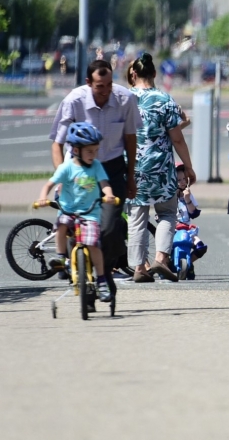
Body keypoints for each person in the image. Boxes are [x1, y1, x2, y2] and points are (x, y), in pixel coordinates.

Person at [49, 59, 142, 304]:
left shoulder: (125, 99)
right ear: (89, 83)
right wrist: (62, 178)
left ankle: (104, 274)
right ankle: (76, 269)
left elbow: (130, 139)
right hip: (77, 169)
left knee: (110, 228)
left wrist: (130, 176)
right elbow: (57, 144)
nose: (105, 91)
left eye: (109, 84)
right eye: (100, 86)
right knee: (72, 223)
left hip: (110, 169)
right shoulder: (73, 101)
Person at [126, 53, 197, 283]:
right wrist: (188, 167)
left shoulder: (124, 100)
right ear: (155, 74)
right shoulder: (165, 100)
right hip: (161, 170)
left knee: (137, 217)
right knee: (167, 212)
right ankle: (160, 258)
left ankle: (139, 267)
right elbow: (177, 139)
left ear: (133, 74)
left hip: (134, 170)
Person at [39, 123, 116, 301]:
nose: (93, 155)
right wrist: (43, 196)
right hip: (69, 210)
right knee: (61, 226)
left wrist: (109, 194)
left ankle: (102, 280)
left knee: (92, 244)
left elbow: (104, 183)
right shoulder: (67, 168)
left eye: (95, 150)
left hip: (89, 212)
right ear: (75, 150)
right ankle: (60, 258)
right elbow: (49, 184)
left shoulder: (96, 166)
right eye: (89, 151)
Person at [127, 62, 191, 130]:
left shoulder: (163, 99)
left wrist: (184, 120)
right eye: (132, 75)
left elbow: (171, 130)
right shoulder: (126, 98)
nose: (134, 78)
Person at [175, 163, 208, 280]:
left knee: (200, 246)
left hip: (186, 229)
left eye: (184, 179)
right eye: (179, 180)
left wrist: (188, 199)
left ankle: (189, 261)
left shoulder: (188, 194)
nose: (182, 182)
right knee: (165, 247)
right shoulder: (168, 196)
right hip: (172, 230)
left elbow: (193, 213)